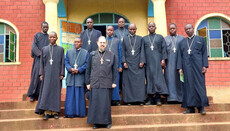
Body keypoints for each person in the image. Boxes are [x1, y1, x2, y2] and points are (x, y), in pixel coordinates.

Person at [85, 36, 117, 129]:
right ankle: (96, 123)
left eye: (104, 42)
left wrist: (114, 81)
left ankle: (106, 122)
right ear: (97, 43)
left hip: (106, 83)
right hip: (95, 83)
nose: (102, 44)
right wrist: (87, 83)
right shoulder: (92, 55)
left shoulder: (111, 55)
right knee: (95, 103)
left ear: (106, 44)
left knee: (105, 104)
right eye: (101, 42)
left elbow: (114, 70)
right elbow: (88, 69)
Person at [177, 24, 209, 115]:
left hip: (198, 67)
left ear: (193, 29)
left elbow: (204, 53)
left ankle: (201, 107)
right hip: (186, 67)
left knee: (199, 86)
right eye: (186, 29)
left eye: (189, 28)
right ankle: (190, 108)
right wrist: (180, 68)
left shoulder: (201, 40)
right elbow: (180, 56)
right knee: (188, 87)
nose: (188, 30)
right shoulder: (182, 42)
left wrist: (205, 66)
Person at [35, 31, 65, 120]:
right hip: (47, 74)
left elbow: (62, 62)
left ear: (56, 38)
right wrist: (41, 73)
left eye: (54, 37)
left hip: (57, 74)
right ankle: (47, 112)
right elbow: (41, 63)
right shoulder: (44, 49)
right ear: (48, 38)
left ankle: (55, 111)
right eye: (51, 37)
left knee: (55, 93)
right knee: (46, 92)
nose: (52, 38)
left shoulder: (60, 49)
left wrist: (62, 73)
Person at [143, 22, 168, 106]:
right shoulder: (144, 39)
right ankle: (150, 99)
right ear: (147, 28)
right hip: (148, 63)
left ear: (155, 27)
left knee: (158, 80)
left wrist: (163, 60)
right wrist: (143, 61)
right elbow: (142, 51)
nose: (151, 28)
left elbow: (164, 49)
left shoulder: (160, 37)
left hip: (157, 63)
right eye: (149, 26)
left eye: (153, 26)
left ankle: (158, 99)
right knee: (149, 80)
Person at [64, 37, 89, 118]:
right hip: (71, 77)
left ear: (81, 43)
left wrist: (79, 70)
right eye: (75, 42)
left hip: (80, 77)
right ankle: (69, 113)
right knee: (70, 96)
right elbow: (66, 62)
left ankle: (80, 113)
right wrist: (70, 69)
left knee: (79, 96)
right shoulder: (69, 52)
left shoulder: (85, 52)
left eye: (78, 42)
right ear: (73, 43)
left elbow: (87, 64)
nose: (77, 43)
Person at [122, 23, 146, 105]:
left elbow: (142, 50)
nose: (132, 31)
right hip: (128, 64)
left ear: (136, 29)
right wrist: (124, 62)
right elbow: (122, 51)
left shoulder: (140, 38)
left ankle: (140, 100)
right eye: (130, 29)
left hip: (138, 64)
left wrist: (142, 61)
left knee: (139, 82)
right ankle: (129, 101)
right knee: (128, 83)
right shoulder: (125, 39)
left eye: (133, 29)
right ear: (128, 29)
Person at [27, 22, 49, 102]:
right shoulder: (37, 35)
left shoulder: (50, 37)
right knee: (36, 76)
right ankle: (33, 94)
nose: (46, 28)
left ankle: (40, 94)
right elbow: (34, 47)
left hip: (46, 60)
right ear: (41, 27)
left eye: (47, 27)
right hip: (38, 59)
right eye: (44, 27)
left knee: (44, 77)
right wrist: (40, 54)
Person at [164, 23, 184, 103]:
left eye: (173, 28)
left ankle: (180, 98)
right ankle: (171, 98)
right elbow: (163, 52)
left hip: (179, 62)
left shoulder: (182, 38)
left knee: (179, 79)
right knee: (169, 79)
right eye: (170, 29)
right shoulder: (165, 39)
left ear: (176, 28)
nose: (172, 30)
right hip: (169, 63)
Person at [106, 26, 122, 106]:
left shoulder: (117, 40)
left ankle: (116, 100)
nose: (109, 31)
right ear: (106, 31)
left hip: (115, 64)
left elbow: (119, 53)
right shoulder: (103, 41)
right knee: (106, 82)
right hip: (105, 65)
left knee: (115, 82)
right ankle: (107, 99)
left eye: (111, 30)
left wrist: (120, 65)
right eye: (108, 30)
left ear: (113, 32)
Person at [113, 17, 129, 91]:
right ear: (118, 23)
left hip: (126, 53)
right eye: (120, 22)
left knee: (125, 72)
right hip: (117, 53)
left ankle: (124, 87)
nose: (121, 23)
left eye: (122, 22)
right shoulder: (115, 32)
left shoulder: (127, 32)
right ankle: (118, 87)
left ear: (124, 23)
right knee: (118, 71)